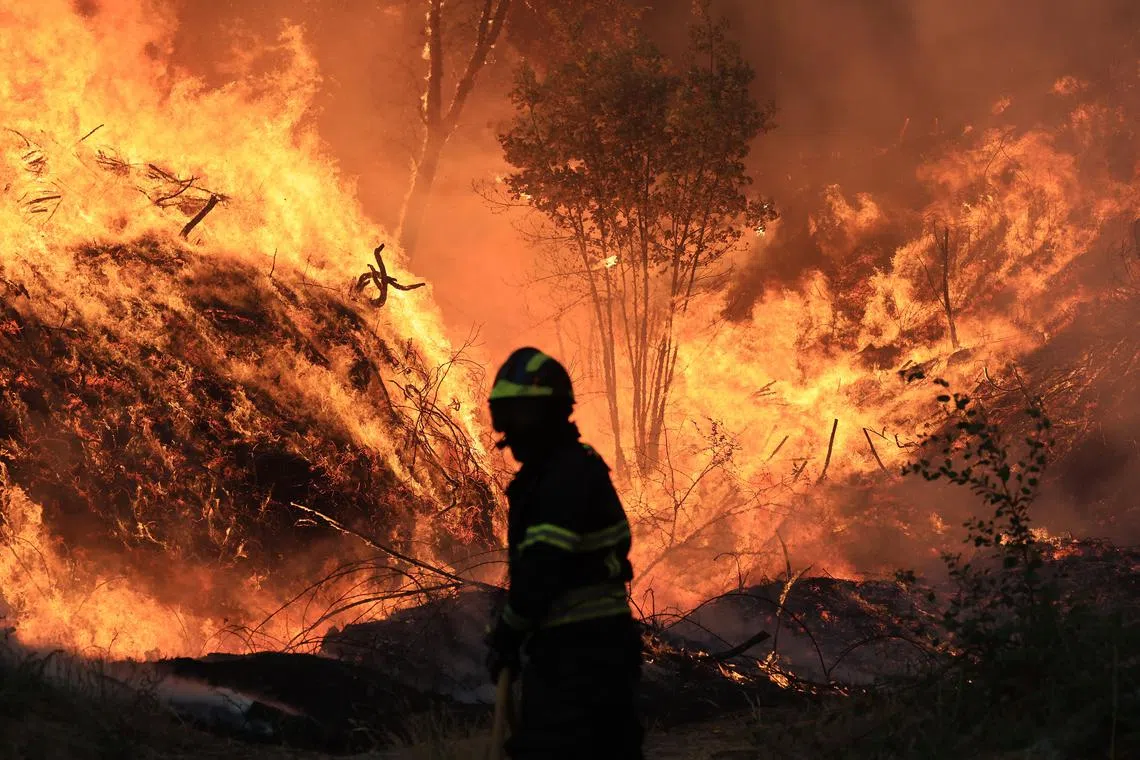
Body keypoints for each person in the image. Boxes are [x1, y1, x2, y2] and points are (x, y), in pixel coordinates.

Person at [483, 347, 644, 759]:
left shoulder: (562, 476)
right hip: (584, 649)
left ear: (547, 414)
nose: (508, 430)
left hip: (581, 656)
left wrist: (508, 632)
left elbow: (542, 569)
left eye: (517, 415)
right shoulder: (563, 469)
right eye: (504, 416)